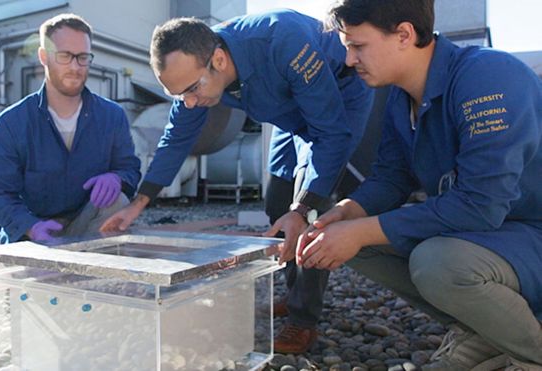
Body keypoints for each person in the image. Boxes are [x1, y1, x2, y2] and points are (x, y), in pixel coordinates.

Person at [101, 9, 374, 354]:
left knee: (309, 212)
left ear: (218, 59)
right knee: (277, 204)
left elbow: (329, 133)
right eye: (178, 96)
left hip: (334, 99)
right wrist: (137, 204)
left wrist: (304, 206)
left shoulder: (284, 39)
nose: (190, 102)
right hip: (286, 117)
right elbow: (177, 136)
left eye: (192, 90)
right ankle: (293, 294)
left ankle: (304, 320)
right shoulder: (196, 63)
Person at [296, 0, 542, 369]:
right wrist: (342, 216)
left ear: (404, 35)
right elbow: (390, 177)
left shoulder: (487, 77)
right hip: (494, 237)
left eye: (358, 46)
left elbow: (481, 204)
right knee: (353, 241)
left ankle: (531, 353)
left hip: (529, 231)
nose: (349, 60)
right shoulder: (401, 97)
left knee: (438, 263)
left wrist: (362, 230)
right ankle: (485, 333)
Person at [0, 13, 140, 244]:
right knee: (33, 275)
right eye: (65, 56)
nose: (75, 67)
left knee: (118, 202)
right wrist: (30, 227)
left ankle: (99, 270)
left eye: (83, 57)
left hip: (88, 226)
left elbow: (130, 168)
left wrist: (117, 178)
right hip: (32, 233)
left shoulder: (112, 116)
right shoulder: (11, 123)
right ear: (44, 57)